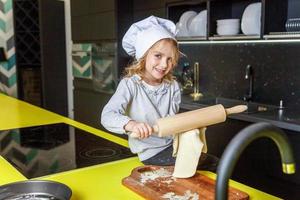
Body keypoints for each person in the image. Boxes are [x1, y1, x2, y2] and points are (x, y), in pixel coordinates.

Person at [101, 16, 218, 170]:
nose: (164, 64)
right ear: (143, 56)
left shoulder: (172, 86)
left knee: (214, 161)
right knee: (213, 164)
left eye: (170, 59)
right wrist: (131, 124)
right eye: (158, 56)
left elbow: (171, 123)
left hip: (172, 145)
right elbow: (107, 116)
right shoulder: (130, 85)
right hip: (150, 153)